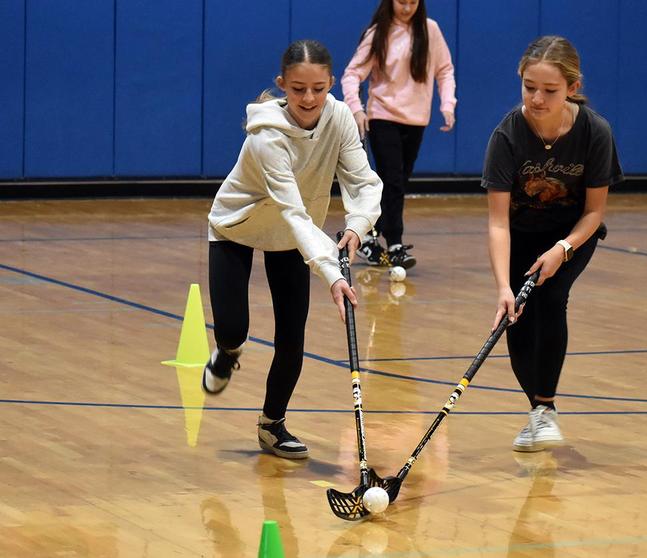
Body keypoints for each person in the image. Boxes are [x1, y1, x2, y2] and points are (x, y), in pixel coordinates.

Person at [203, 39, 382, 460]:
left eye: (318, 88)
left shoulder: (338, 119)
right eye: (298, 88)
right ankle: (228, 353)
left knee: (292, 336)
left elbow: (364, 183)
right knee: (233, 329)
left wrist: (357, 225)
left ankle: (272, 424)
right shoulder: (267, 137)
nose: (309, 98)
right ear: (282, 84)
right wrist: (333, 274)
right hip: (237, 226)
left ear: (331, 84)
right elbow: (294, 212)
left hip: (290, 237)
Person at [481, 36, 623, 452]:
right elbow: (497, 223)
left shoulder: (595, 132)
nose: (537, 99)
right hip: (520, 233)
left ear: (573, 89)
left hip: (573, 233)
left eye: (549, 90)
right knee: (518, 316)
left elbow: (594, 212)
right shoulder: (506, 137)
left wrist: (562, 249)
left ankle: (544, 407)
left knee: (552, 296)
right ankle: (539, 410)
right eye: (529, 87)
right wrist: (503, 289)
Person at [341, 0, 457, 269]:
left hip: (416, 119)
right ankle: (395, 243)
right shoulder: (378, 32)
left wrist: (447, 104)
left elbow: (445, 70)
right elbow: (351, 74)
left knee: (396, 183)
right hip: (382, 116)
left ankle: (368, 237)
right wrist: (356, 109)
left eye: (412, 2)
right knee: (392, 181)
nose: (406, 8)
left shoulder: (430, 30)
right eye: (401, 2)